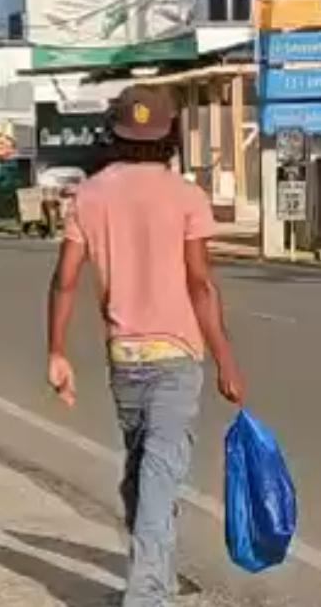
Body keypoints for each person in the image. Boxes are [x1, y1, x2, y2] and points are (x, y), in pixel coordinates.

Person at [46, 85, 245, 607]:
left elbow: (64, 279)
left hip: (126, 359)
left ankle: (153, 576)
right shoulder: (186, 197)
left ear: (115, 134)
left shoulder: (90, 195)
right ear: (171, 138)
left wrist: (57, 351)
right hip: (177, 357)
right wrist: (225, 359)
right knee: (156, 474)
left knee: (144, 472)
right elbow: (201, 284)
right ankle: (149, 594)